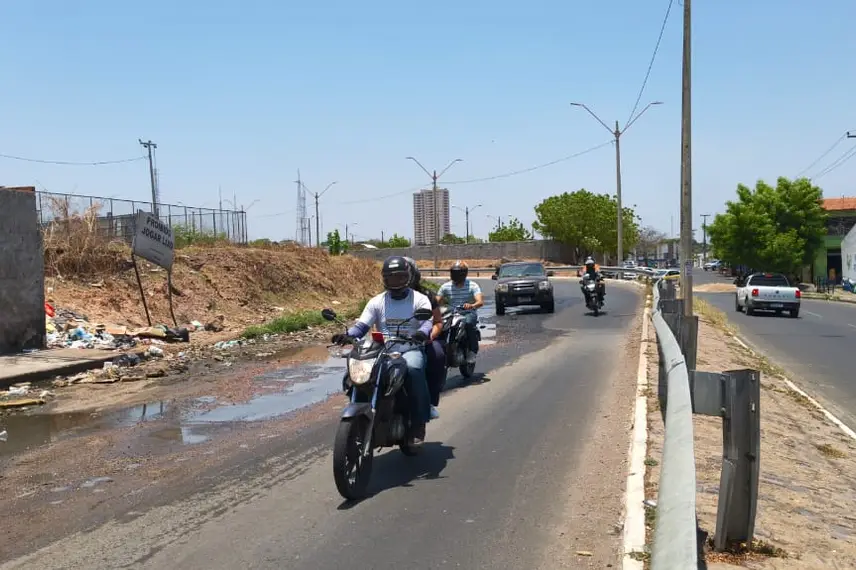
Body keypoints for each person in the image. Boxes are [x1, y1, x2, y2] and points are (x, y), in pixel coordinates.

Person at [332, 255, 432, 446]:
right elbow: (362, 326)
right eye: (391, 278)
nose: (396, 282)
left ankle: (419, 421)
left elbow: (427, 322)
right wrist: (347, 335)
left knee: (414, 369)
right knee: (357, 372)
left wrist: (421, 333)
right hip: (381, 350)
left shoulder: (419, 299)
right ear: (384, 279)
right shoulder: (377, 301)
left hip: (409, 348)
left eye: (400, 277)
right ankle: (362, 413)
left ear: (408, 277)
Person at [404, 258, 446, 420]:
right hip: (392, 343)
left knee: (437, 354)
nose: (399, 280)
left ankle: (429, 402)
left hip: (420, 340)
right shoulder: (384, 297)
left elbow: (437, 322)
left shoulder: (426, 296)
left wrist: (429, 336)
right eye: (394, 276)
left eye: (403, 276)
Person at [436, 260, 484, 364]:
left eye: (458, 273)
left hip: (468, 312)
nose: (456, 275)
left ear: (464, 273)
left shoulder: (473, 285)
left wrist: (472, 305)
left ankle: (472, 351)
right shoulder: (445, 286)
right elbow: (436, 300)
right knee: (438, 325)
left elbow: (480, 302)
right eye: (454, 272)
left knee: (468, 323)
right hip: (451, 313)